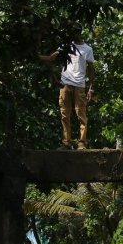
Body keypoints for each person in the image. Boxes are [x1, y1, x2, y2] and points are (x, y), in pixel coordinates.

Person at [40, 22, 95, 150]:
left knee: (81, 114)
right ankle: (66, 142)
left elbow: (91, 69)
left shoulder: (87, 49)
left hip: (79, 85)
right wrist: (35, 56)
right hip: (65, 84)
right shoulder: (66, 46)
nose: (72, 34)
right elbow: (51, 58)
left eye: (74, 32)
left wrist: (91, 87)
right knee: (65, 114)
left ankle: (82, 142)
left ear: (79, 32)